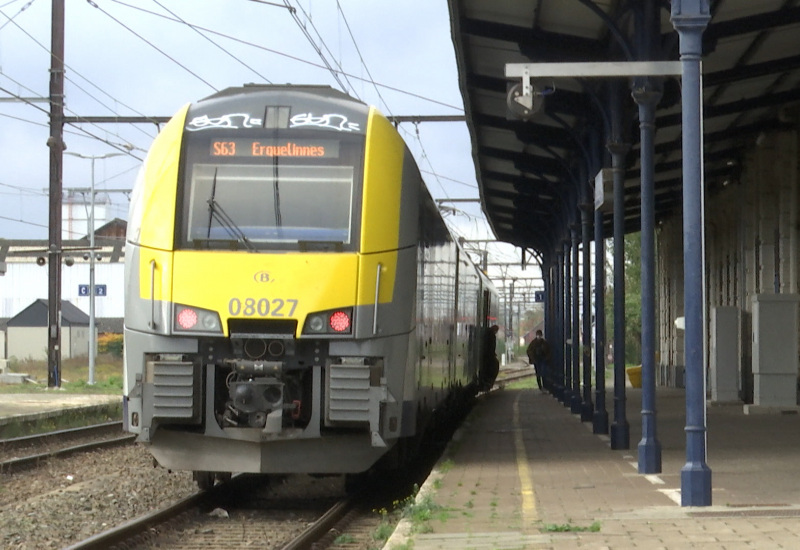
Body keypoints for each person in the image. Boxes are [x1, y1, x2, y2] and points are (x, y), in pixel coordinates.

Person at [479, 325, 500, 391]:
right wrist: (492, 354)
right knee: (495, 365)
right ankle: (489, 381)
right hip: (488, 356)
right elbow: (491, 347)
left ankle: (488, 381)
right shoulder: (491, 335)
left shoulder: (486, 334)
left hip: (486, 355)